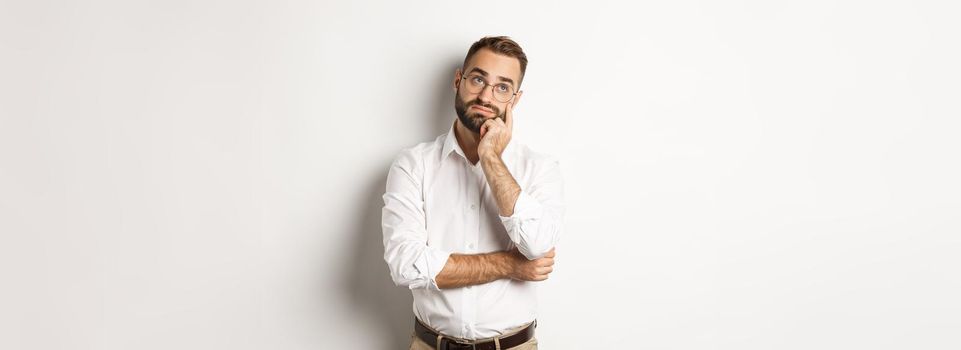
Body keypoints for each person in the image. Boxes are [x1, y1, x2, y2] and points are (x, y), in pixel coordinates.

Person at [382, 36, 564, 350]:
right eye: (478, 79)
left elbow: (536, 247)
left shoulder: (540, 168)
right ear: (459, 80)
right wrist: (509, 265)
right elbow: (405, 264)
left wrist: (491, 157)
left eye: (502, 87)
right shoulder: (413, 165)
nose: (485, 96)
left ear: (514, 100)